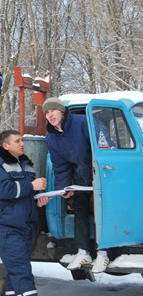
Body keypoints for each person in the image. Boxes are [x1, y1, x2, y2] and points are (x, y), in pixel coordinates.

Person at [43, 97, 109, 273]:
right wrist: (63, 187)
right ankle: (83, 252)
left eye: (53, 111)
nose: (50, 115)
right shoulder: (51, 138)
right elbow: (60, 165)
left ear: (62, 111)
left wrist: (101, 175)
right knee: (80, 207)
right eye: (47, 113)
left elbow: (104, 146)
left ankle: (103, 252)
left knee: (101, 210)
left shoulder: (84, 123)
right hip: (81, 178)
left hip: (101, 175)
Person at [0, 130, 48, 296]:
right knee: (22, 272)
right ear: (6, 145)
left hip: (24, 227)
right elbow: (5, 191)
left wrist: (37, 199)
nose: (22, 143)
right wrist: (33, 186)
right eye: (17, 141)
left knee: (14, 274)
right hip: (6, 227)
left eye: (22, 140)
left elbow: (23, 194)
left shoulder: (26, 164)